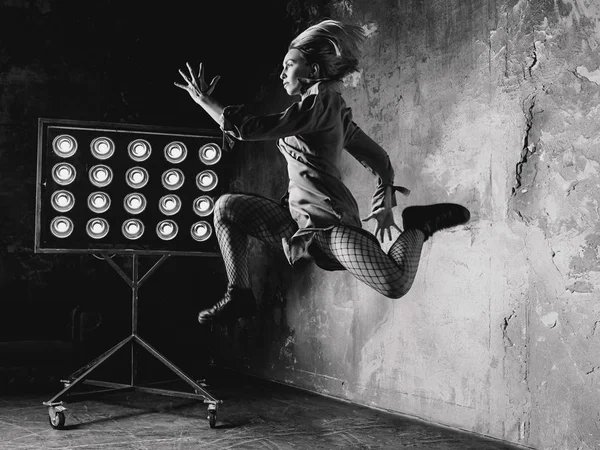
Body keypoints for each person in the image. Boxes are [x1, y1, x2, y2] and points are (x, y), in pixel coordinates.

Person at [174, 19, 470, 324]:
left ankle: (419, 226)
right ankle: (240, 295)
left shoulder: (320, 102)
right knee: (226, 208)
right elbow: (378, 158)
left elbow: (249, 129)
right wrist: (383, 195)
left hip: (329, 226)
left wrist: (203, 100)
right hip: (296, 222)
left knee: (395, 283)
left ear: (312, 71)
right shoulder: (325, 109)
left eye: (289, 65)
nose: (282, 73)